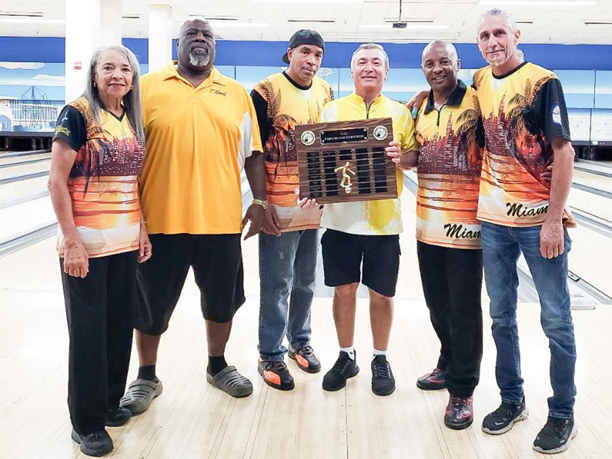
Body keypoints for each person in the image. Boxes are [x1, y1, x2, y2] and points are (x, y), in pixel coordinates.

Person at [119, 18, 265, 413]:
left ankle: (217, 366)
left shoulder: (235, 93)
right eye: (191, 34)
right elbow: (126, 151)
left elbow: (253, 153)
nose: (200, 40)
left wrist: (261, 201)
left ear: (215, 45)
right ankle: (146, 376)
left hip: (220, 220)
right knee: (150, 304)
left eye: (207, 35)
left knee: (222, 301)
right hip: (160, 220)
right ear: (178, 44)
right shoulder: (146, 87)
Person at [474, 8, 577, 454]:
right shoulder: (479, 80)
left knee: (555, 319)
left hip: (538, 224)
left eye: (499, 33)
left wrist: (554, 220)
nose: (492, 41)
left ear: (516, 35)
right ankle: (512, 400)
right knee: (501, 316)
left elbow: (564, 151)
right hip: (494, 223)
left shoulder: (542, 81)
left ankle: (562, 412)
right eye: (484, 35)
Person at [48, 45, 150, 457]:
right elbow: (56, 181)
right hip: (86, 246)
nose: (117, 75)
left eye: (125, 69)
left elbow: (133, 183)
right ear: (94, 75)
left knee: (118, 325)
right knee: (89, 333)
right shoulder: (77, 114)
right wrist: (72, 241)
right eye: (108, 67)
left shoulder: (130, 118)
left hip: (124, 244)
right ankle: (86, 423)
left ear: (132, 79)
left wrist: (142, 229)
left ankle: (109, 402)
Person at [317, 43, 418, 396]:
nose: (369, 67)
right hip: (340, 222)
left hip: (384, 223)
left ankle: (380, 358)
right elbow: (317, 161)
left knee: (381, 294)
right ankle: (346, 355)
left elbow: (414, 156)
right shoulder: (331, 111)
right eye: (362, 62)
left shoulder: (400, 114)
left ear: (386, 72)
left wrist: (401, 157)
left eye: (376, 62)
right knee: (343, 291)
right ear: (352, 71)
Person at [250, 30, 333, 390]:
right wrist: (261, 202)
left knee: (306, 280)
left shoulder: (325, 91)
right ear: (289, 54)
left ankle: (300, 341)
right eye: (305, 52)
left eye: (317, 55)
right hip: (278, 208)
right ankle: (270, 352)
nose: (311, 60)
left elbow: (328, 145)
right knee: (277, 282)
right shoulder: (266, 91)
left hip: (311, 206)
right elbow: (253, 151)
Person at [407, 40, 484, 430]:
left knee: (464, 308)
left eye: (444, 61)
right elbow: (410, 154)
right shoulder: (418, 107)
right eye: (429, 63)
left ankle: (462, 389)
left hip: (467, 227)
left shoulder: (477, 102)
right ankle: (448, 360)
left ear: (458, 63)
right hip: (427, 225)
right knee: (437, 303)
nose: (437, 69)